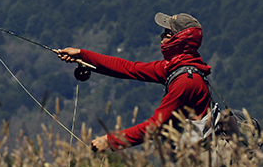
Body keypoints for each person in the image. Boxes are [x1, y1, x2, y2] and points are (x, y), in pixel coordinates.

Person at [55, 12, 211, 152]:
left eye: (167, 33)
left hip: (204, 162)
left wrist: (110, 141)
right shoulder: (175, 68)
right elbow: (128, 68)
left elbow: (155, 126)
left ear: (179, 40)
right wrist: (82, 55)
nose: (161, 36)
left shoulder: (185, 81)